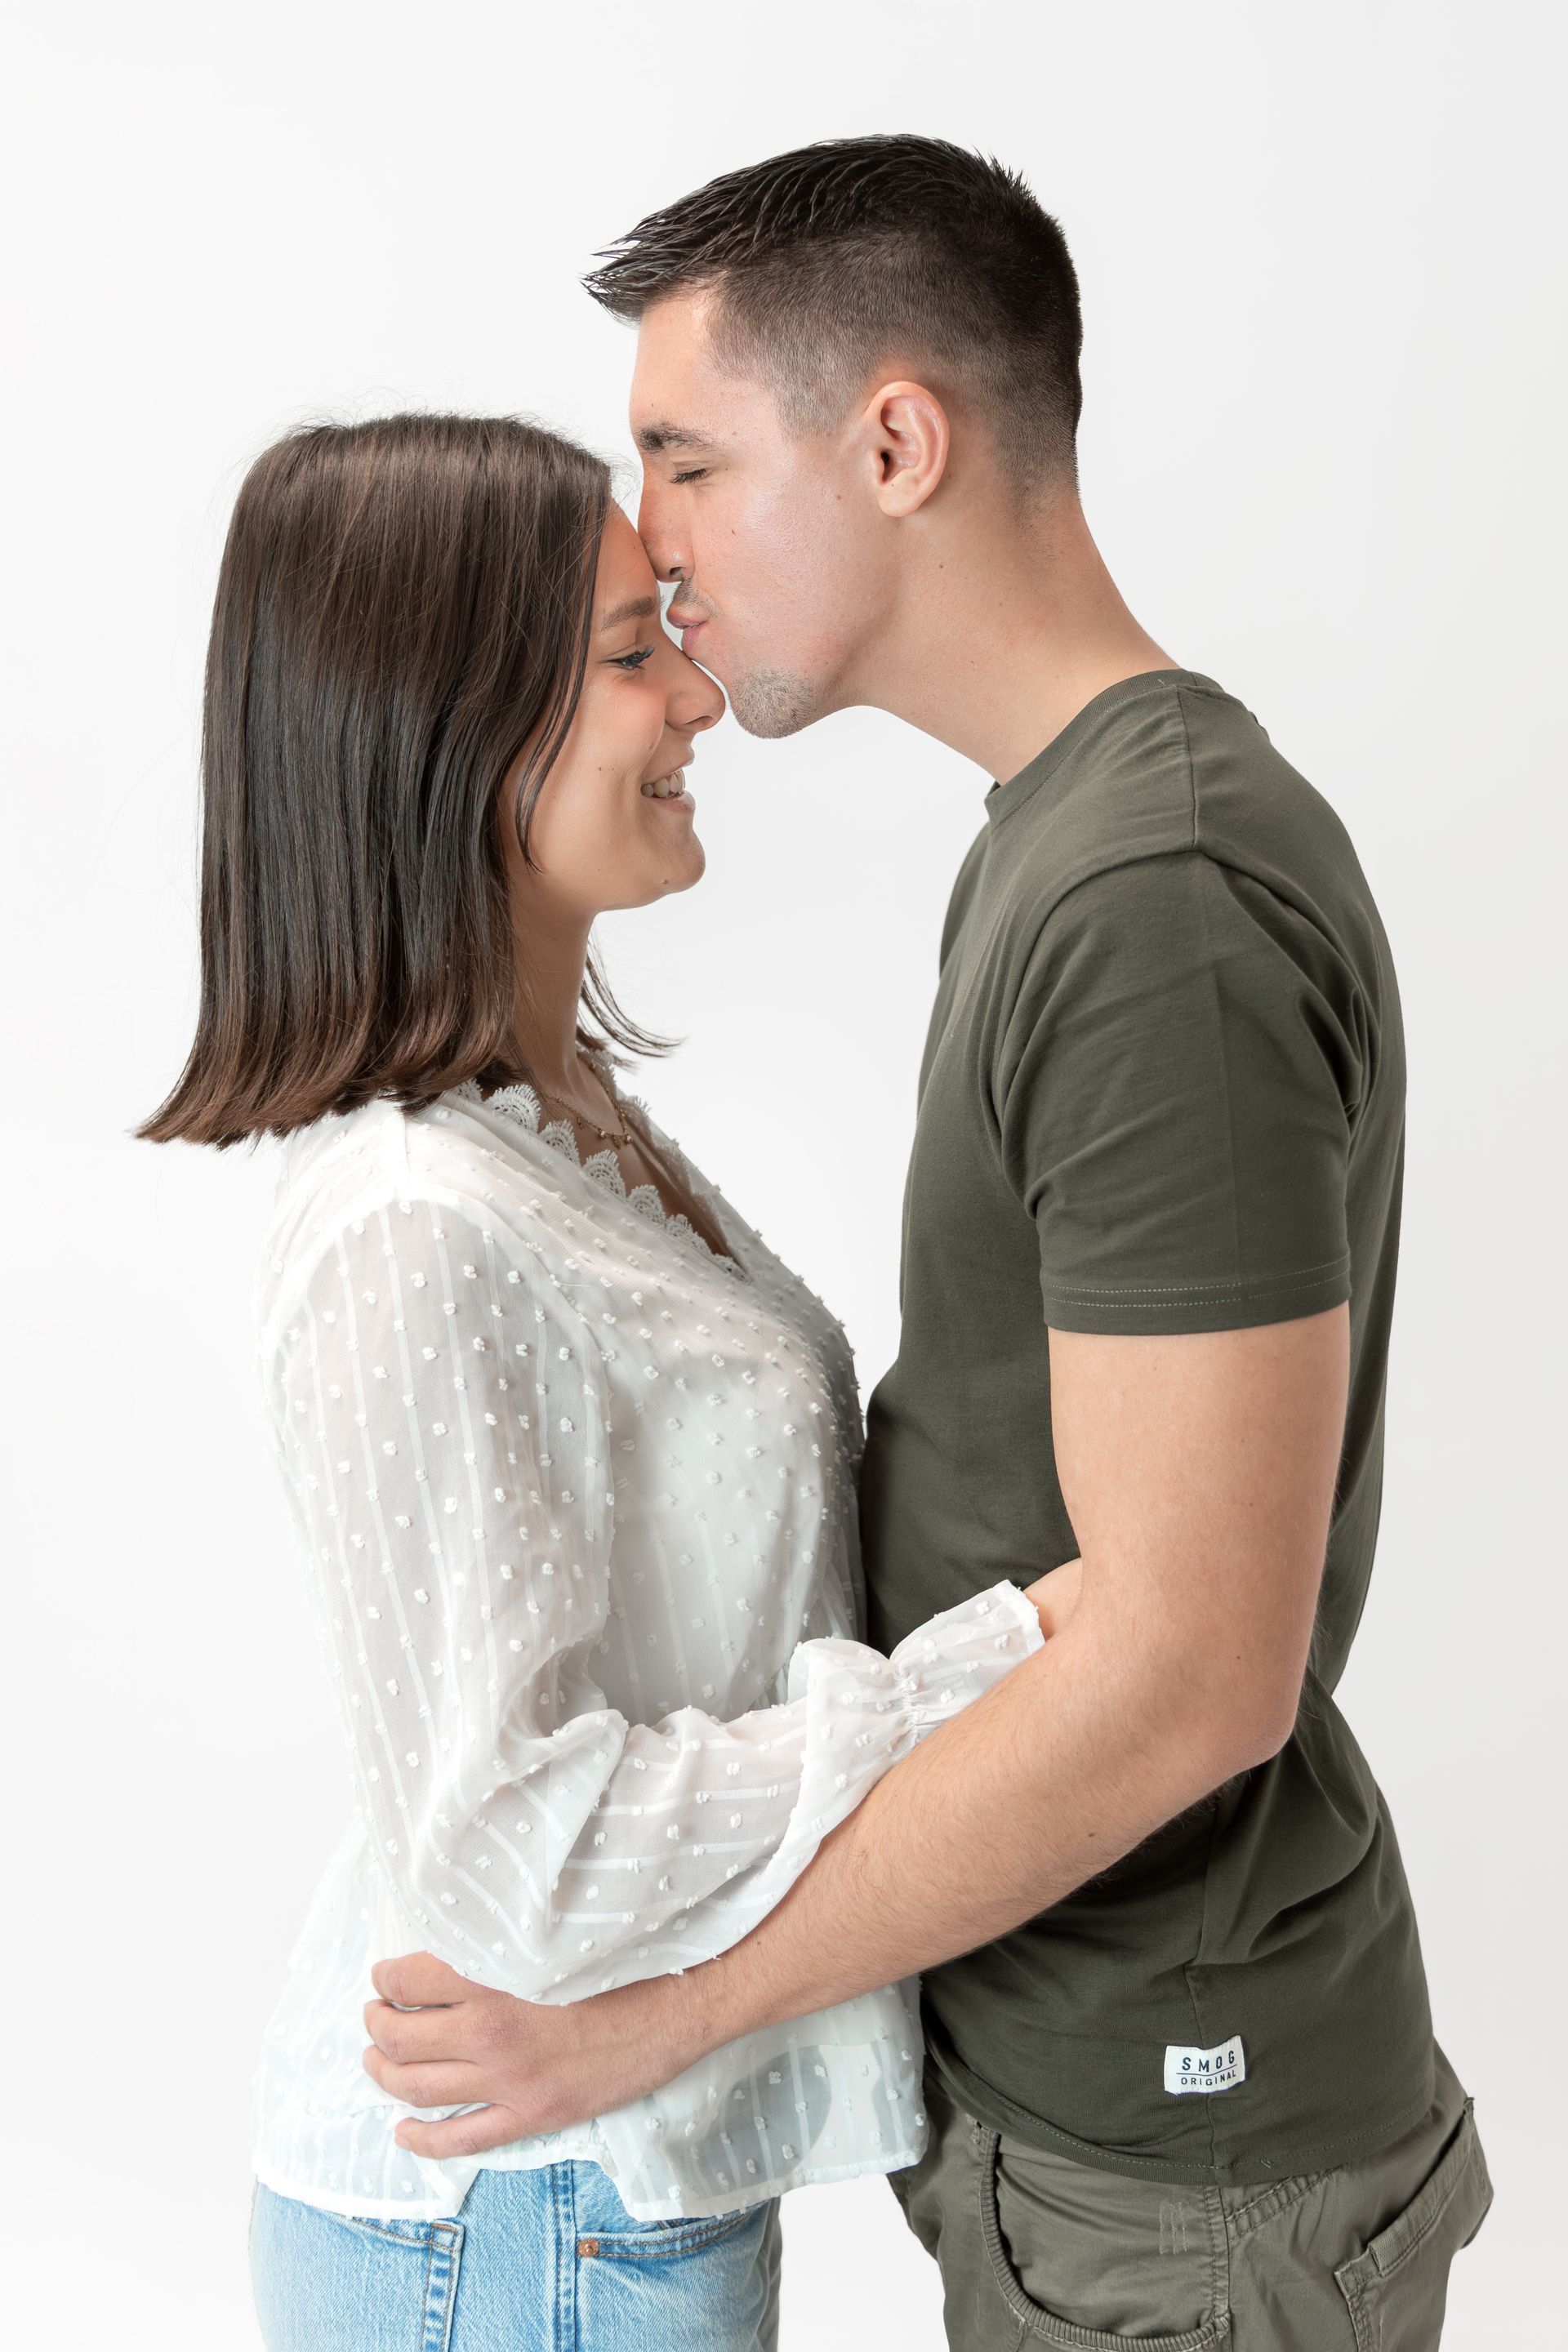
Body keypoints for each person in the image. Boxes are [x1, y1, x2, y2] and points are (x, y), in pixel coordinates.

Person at [360, 139, 1494, 2349]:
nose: (652, 546)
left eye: (687, 462)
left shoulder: (1151, 903)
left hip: (1181, 2159)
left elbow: (1191, 1672)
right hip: (1097, 2124)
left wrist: (663, 2014)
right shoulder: (1071, 846)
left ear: (895, 444)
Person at [140, 412, 1077, 2351]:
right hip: (516, 2211)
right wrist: (989, 1675)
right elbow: (523, 1850)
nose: (698, 698)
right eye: (635, 652)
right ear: (451, 732)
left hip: (604, 2178)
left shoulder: (556, 1124)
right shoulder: (412, 1218)